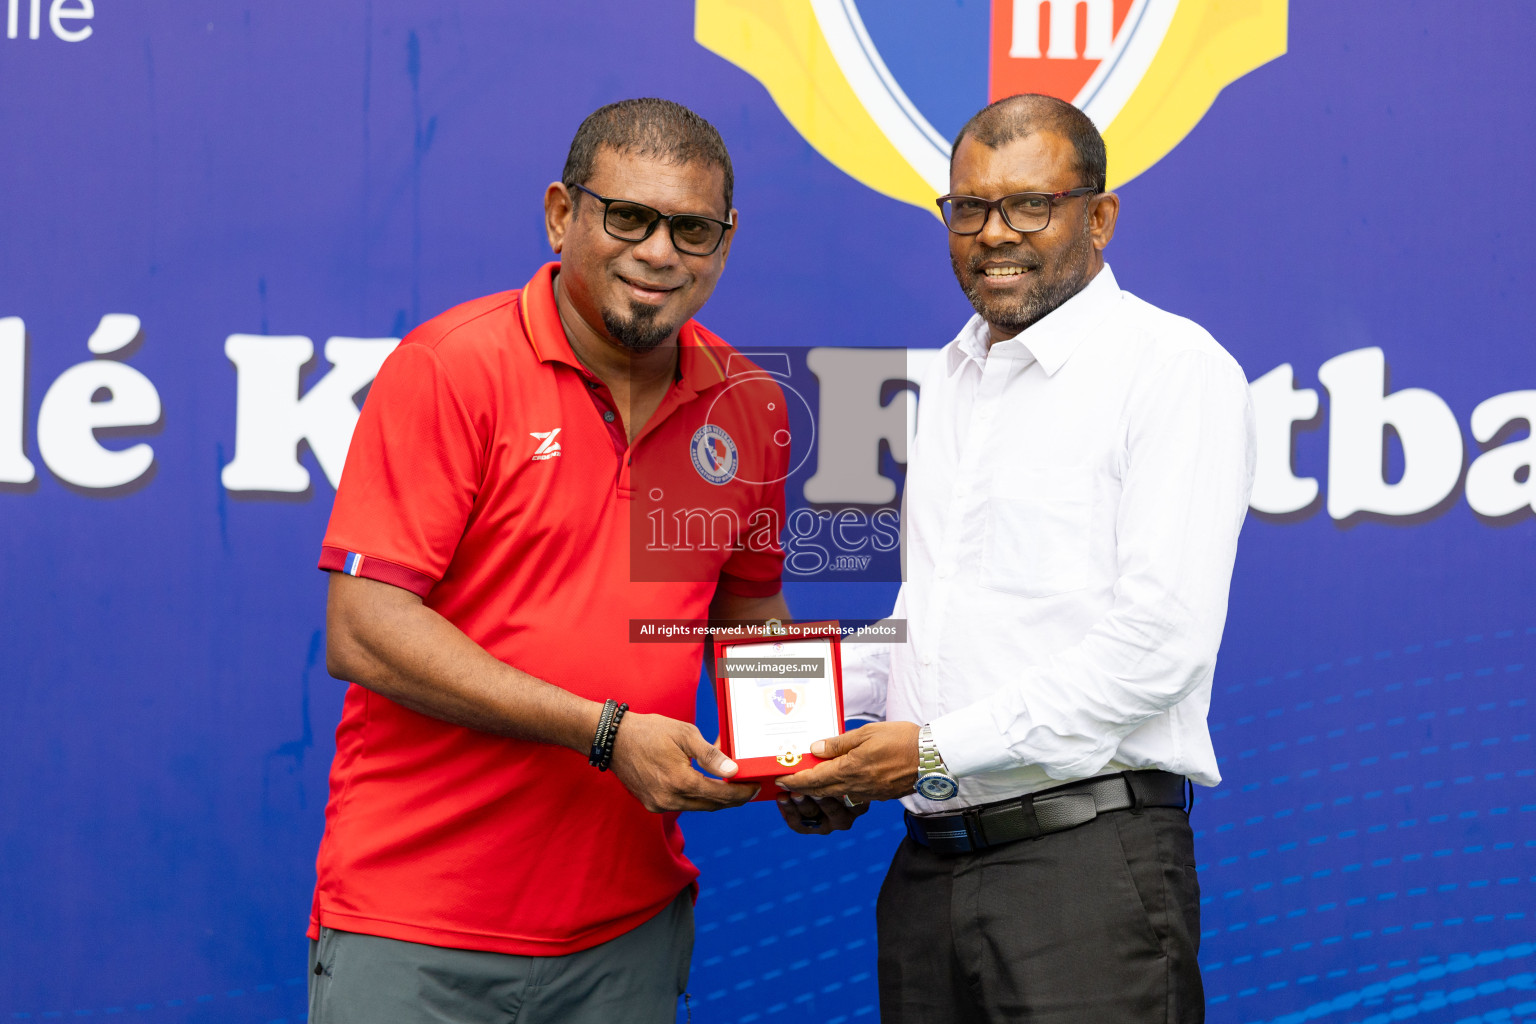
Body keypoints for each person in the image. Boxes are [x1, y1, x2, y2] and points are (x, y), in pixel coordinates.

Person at [307, 98, 791, 1024]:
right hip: (420, 925)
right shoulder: (453, 366)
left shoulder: (745, 403)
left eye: (690, 228)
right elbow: (364, 630)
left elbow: (745, 619)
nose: (659, 252)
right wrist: (605, 732)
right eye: (629, 218)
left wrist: (799, 757)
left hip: (626, 927)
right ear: (562, 216)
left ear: (725, 243)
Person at [776, 94, 1256, 1023]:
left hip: (1083, 876)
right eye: (969, 208)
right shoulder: (954, 376)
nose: (995, 234)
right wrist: (812, 736)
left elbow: (1158, 648)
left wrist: (925, 752)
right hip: (927, 872)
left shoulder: (1171, 369)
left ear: (1100, 217)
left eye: (1030, 205)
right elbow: (936, 623)